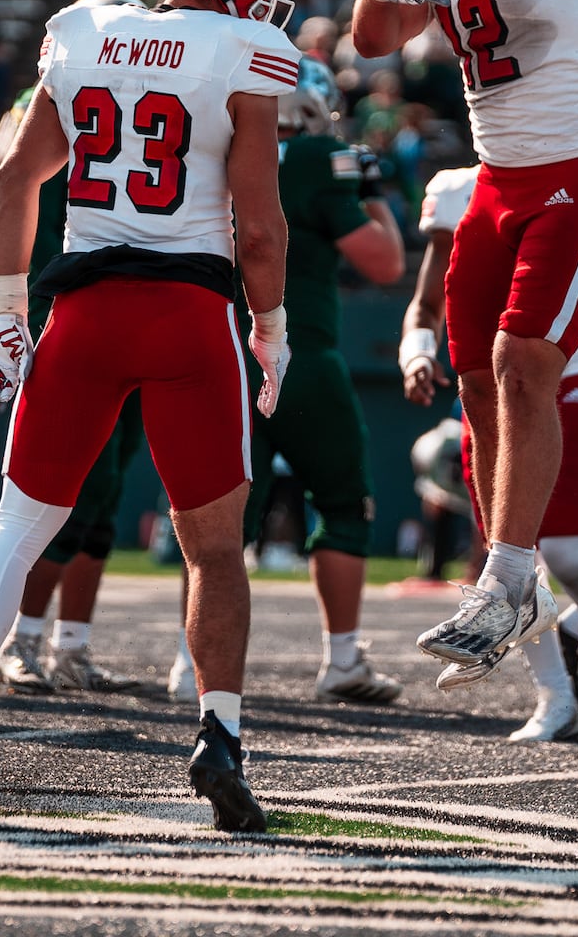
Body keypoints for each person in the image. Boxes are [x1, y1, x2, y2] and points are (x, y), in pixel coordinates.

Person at [0, 0, 299, 832]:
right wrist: (272, 329)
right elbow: (260, 231)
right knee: (213, 549)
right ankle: (219, 735)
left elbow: (13, 183)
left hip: (83, 307)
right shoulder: (245, 54)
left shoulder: (85, 32)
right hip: (188, 314)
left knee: (16, 526)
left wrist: (7, 315)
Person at [251, 0, 578, 677]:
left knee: (521, 363)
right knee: (475, 382)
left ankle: (509, 576)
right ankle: (510, 578)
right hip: (497, 183)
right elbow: (374, 37)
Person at [402, 163, 578, 740]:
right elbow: (426, 302)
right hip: (489, 394)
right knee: (508, 561)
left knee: (567, 555)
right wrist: (417, 349)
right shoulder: (462, 189)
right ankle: (554, 694)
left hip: (570, 374)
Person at [0, 0, 152, 697]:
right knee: (68, 481)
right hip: (67, 295)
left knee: (110, 487)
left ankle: (70, 643)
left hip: (138, 294)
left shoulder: (152, 84)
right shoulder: (46, 92)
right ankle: (17, 637)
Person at [217, 56, 406, 707]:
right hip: (301, 351)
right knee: (344, 502)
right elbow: (384, 262)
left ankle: (198, 670)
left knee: (222, 514)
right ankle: (343, 658)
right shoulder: (320, 161)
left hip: (223, 354)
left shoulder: (217, 155)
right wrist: (372, 191)